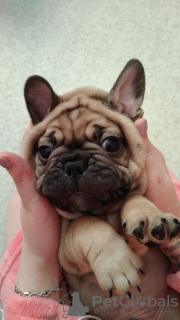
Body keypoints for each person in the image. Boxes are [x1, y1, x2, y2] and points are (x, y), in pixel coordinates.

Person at [0, 118, 180, 320]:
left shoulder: (145, 185)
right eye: (47, 152)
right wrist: (40, 254)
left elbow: (136, 203)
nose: (77, 167)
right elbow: (70, 249)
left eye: (109, 145)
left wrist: (153, 211)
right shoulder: (39, 212)